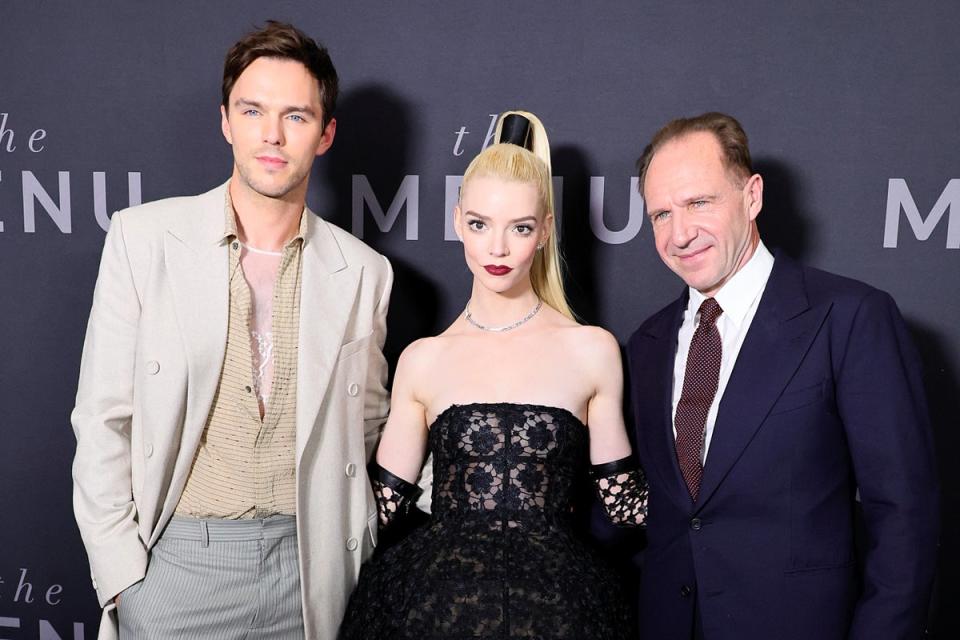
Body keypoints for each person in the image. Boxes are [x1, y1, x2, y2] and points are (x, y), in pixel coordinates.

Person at [71, 21, 392, 640]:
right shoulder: (143, 240)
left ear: (325, 134)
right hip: (176, 568)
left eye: (296, 116)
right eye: (253, 110)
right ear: (226, 121)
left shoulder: (364, 274)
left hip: (311, 574)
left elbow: (368, 430)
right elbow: (103, 417)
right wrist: (123, 580)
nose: (272, 135)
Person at [627, 112, 939, 640]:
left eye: (699, 202)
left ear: (752, 197)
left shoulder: (849, 316)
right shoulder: (647, 343)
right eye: (661, 214)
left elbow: (904, 514)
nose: (680, 233)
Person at [338, 111, 647, 639]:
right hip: (433, 609)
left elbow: (624, 504)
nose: (497, 249)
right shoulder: (424, 358)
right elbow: (381, 511)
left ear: (545, 230)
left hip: (560, 612)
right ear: (458, 222)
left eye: (520, 228)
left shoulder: (591, 350)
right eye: (480, 224)